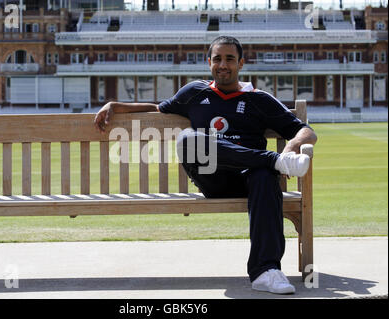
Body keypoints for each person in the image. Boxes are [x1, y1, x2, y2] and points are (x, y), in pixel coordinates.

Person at [94, 36, 317, 294]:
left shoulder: (259, 99)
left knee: (265, 176)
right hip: (212, 177)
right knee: (189, 139)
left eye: (230, 59)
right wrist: (114, 105)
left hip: (250, 181)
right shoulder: (194, 93)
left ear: (241, 63)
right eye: (218, 59)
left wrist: (290, 147)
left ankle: (265, 272)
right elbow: (158, 107)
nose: (223, 65)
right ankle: (275, 161)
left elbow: (305, 131)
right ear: (208, 62)